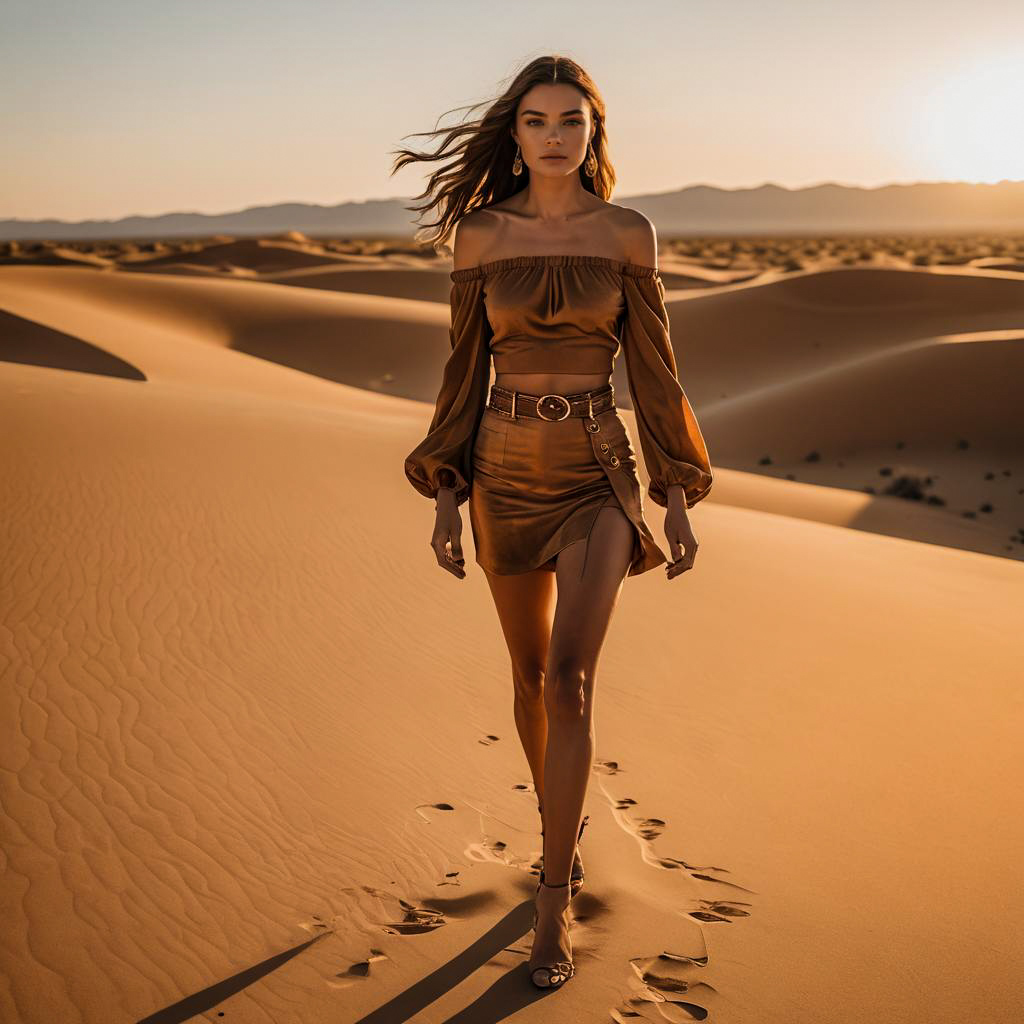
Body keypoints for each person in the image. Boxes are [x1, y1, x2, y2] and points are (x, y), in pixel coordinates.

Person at [394, 54, 713, 990]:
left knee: (572, 680)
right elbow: (463, 372)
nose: (554, 136)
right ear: (516, 132)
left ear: (593, 131)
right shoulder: (482, 236)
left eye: (572, 120)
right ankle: (560, 825)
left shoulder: (626, 233)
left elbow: (655, 370)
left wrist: (676, 492)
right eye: (536, 120)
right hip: (501, 468)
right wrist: (447, 492)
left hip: (596, 469)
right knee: (530, 678)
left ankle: (553, 896)